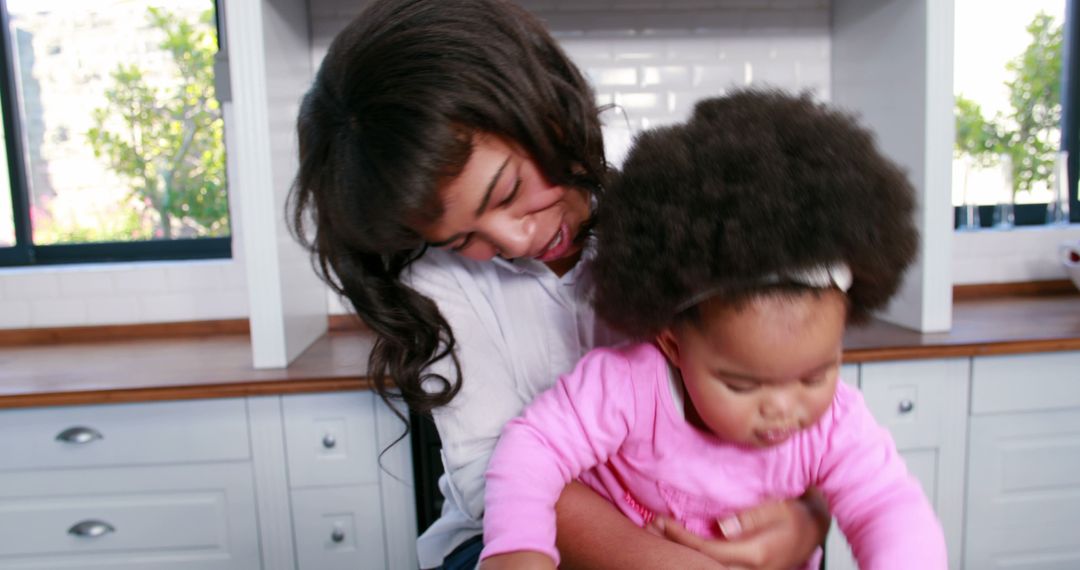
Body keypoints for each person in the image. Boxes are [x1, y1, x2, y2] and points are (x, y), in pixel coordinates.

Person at [290, 0, 829, 567]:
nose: (513, 240)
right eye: (461, 238)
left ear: (547, 109)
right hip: (516, 528)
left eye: (506, 192)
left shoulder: (677, 214)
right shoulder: (440, 282)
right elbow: (492, 470)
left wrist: (807, 519)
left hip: (691, 512)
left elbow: (796, 393)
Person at [481, 90, 948, 570]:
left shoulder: (836, 424)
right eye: (741, 384)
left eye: (816, 375)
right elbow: (533, 447)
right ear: (671, 342)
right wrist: (518, 549)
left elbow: (889, 508)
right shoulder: (626, 387)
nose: (783, 408)